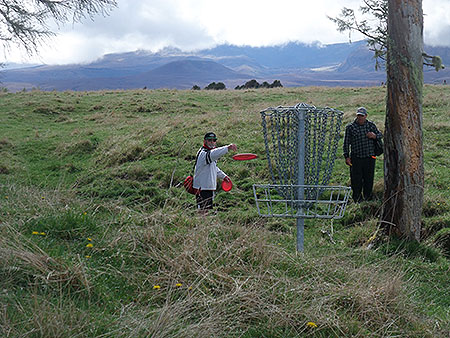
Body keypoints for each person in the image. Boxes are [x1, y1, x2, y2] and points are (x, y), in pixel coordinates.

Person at [343, 107, 383, 202]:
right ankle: (357, 198)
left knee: (369, 179)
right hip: (356, 158)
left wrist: (374, 136)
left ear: (366, 116)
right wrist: (346, 156)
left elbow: (380, 135)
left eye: (362, 116)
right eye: (358, 116)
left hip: (370, 157)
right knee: (356, 179)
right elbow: (346, 143)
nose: (360, 118)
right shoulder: (350, 127)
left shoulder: (371, 125)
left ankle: (368, 198)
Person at [193, 132, 237, 212]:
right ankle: (202, 224)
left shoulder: (209, 153)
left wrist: (224, 176)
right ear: (205, 141)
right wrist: (227, 148)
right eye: (209, 140)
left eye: (214, 140)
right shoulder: (203, 154)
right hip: (202, 188)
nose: (212, 142)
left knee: (207, 210)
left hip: (208, 187)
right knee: (203, 211)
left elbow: (214, 168)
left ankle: (204, 223)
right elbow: (213, 154)